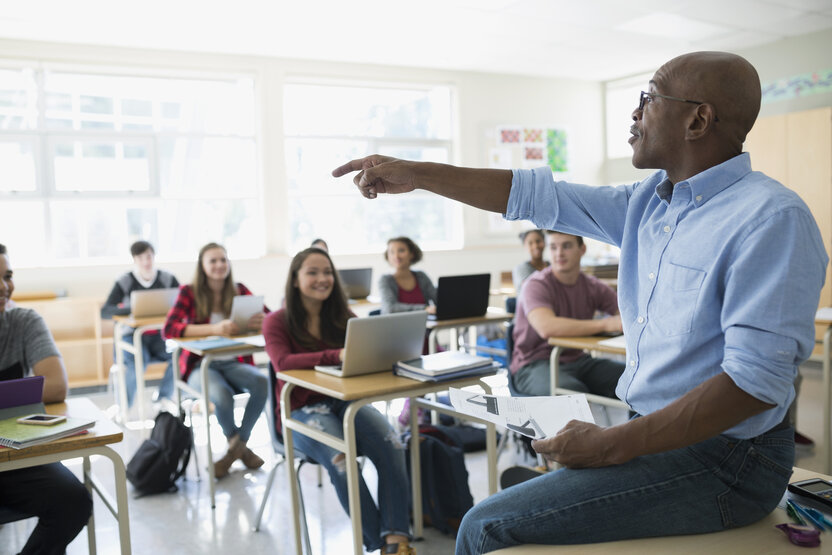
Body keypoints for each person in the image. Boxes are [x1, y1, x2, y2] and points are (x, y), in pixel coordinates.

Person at [332, 51, 829, 552]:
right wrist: (418, 174)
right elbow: (531, 196)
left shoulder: (771, 218)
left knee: (483, 527)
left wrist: (611, 446)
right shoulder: (647, 203)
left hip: (729, 462)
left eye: (648, 99)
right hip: (659, 435)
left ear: (697, 119)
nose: (635, 113)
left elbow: (754, 385)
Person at [263, 248, 415, 555]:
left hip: (347, 404)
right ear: (295, 280)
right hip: (300, 412)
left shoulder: (343, 317)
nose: (323, 279)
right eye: (313, 272)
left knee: (392, 443)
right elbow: (283, 362)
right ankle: (377, 544)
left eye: (328, 272)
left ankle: (396, 541)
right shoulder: (276, 322)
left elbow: (365, 350)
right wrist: (335, 355)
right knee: (341, 459)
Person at [0, 243, 93, 555]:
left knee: (74, 501)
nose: (4, 287)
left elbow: (55, 386)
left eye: (7, 276)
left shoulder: (24, 321)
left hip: (18, 456)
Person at [163, 242, 268, 479]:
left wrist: (262, 321)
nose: (220, 265)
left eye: (223, 259)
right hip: (200, 365)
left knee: (263, 382)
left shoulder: (239, 289)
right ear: (202, 265)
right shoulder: (188, 292)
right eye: (213, 260)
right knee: (221, 396)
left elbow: (271, 318)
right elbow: (169, 329)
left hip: (234, 362)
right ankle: (241, 449)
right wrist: (214, 328)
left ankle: (235, 449)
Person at [511, 231, 623, 397]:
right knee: (571, 393)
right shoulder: (535, 284)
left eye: (567, 246)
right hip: (534, 364)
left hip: (578, 359)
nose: (559, 253)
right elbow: (546, 327)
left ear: (582, 250)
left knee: (636, 380)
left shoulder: (591, 285)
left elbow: (626, 313)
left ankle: (635, 423)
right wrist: (606, 324)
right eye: (553, 247)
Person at [101, 240, 179, 406]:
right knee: (138, 362)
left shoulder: (167, 278)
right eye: (141, 257)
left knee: (180, 356)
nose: (146, 262)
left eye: (149, 256)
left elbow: (182, 303)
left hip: (159, 336)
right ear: (134, 259)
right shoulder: (125, 281)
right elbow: (106, 311)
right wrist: (132, 310)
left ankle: (163, 398)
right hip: (132, 336)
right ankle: (124, 408)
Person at [378, 236, 436, 315]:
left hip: (423, 325)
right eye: (391, 252)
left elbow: (438, 299)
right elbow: (390, 308)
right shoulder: (385, 280)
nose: (396, 256)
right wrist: (424, 309)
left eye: (401, 251)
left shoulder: (421, 276)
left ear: (412, 254)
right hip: (395, 326)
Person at [511, 229, 549, 293]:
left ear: (544, 242)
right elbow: (532, 290)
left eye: (538, 241)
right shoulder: (520, 269)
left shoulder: (552, 265)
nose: (535, 246)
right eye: (530, 243)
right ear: (525, 246)